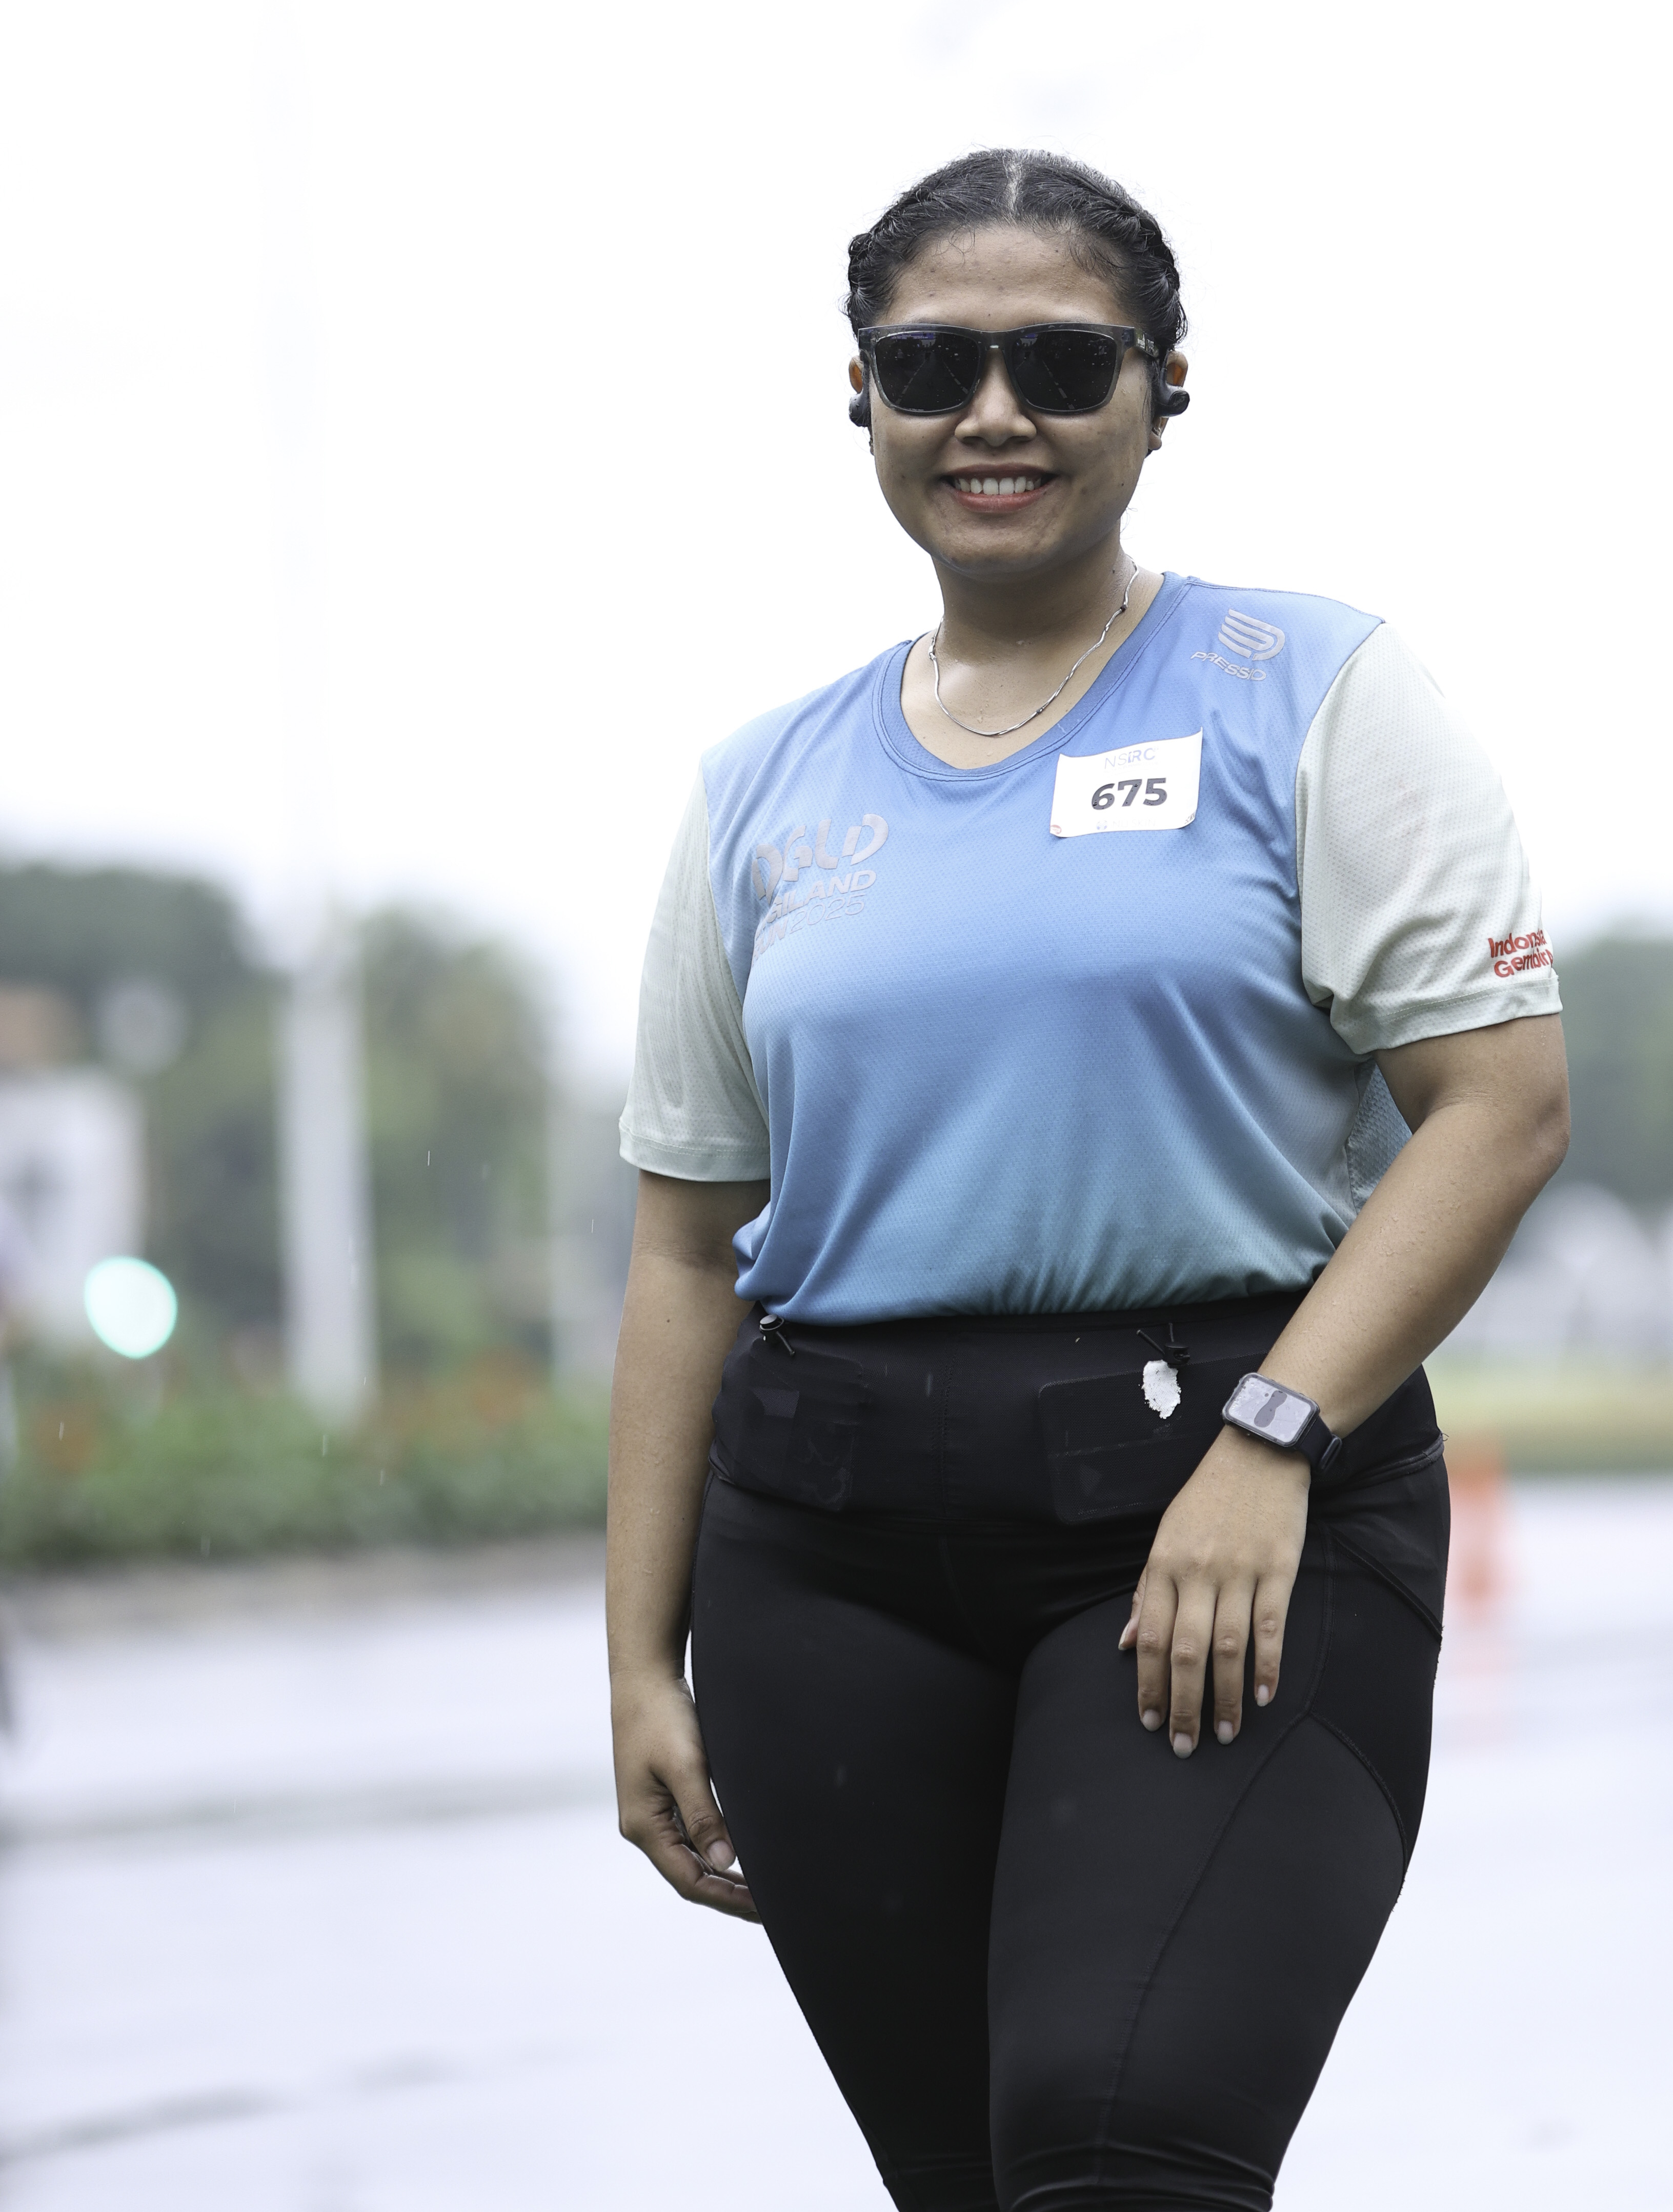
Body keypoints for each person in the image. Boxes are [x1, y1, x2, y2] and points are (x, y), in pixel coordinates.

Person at [608, 149, 1568, 2212]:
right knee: (967, 2183)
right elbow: (687, 1246)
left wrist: (1274, 1435)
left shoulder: (1310, 692)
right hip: (829, 1560)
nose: (994, 414)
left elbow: (1498, 1109)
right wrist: (635, 1661)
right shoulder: (762, 787)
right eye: (929, 367)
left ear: (1162, 390)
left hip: (1222, 1510)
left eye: (1060, 363)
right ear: (859, 398)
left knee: (1123, 2146)